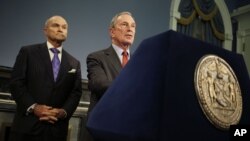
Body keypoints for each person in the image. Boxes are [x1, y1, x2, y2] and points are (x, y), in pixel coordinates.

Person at [9, 15, 82, 141]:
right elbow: (16, 83)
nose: (61, 29)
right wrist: (34, 107)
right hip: (27, 128)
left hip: (56, 130)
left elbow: (75, 93)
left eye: (64, 27)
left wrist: (63, 112)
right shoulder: (28, 52)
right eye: (56, 25)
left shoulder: (74, 63)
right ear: (45, 30)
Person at [84, 11, 136, 141]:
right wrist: (135, 91)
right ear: (112, 32)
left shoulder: (140, 61)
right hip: (105, 127)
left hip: (132, 128)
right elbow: (100, 84)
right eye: (124, 24)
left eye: (133, 26)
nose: (130, 29)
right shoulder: (96, 57)